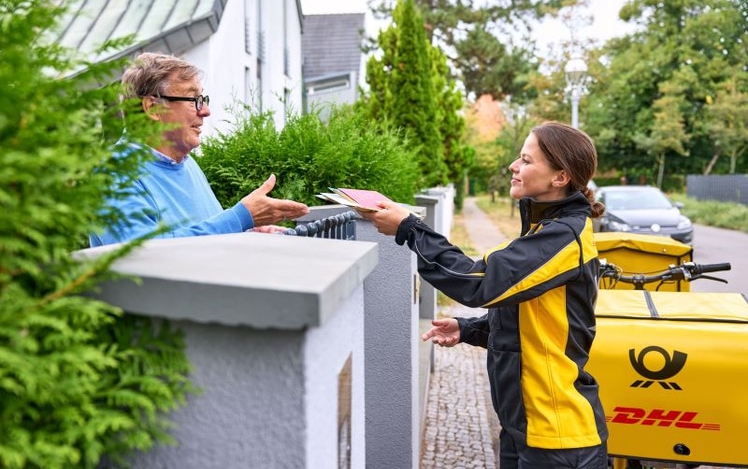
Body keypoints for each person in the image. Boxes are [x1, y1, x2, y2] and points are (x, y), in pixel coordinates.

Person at [359, 121, 608, 469]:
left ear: (560, 177)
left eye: (525, 160)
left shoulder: (563, 236)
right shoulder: (545, 229)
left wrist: (409, 228)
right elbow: (535, 320)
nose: (513, 166)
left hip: (558, 440)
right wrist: (470, 329)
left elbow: (479, 281)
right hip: (525, 428)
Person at [90, 52, 309, 247]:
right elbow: (144, 255)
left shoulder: (187, 164)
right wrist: (240, 218)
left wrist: (248, 233)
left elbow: (202, 238)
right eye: (193, 99)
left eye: (202, 99)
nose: (205, 111)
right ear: (153, 107)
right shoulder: (112, 174)